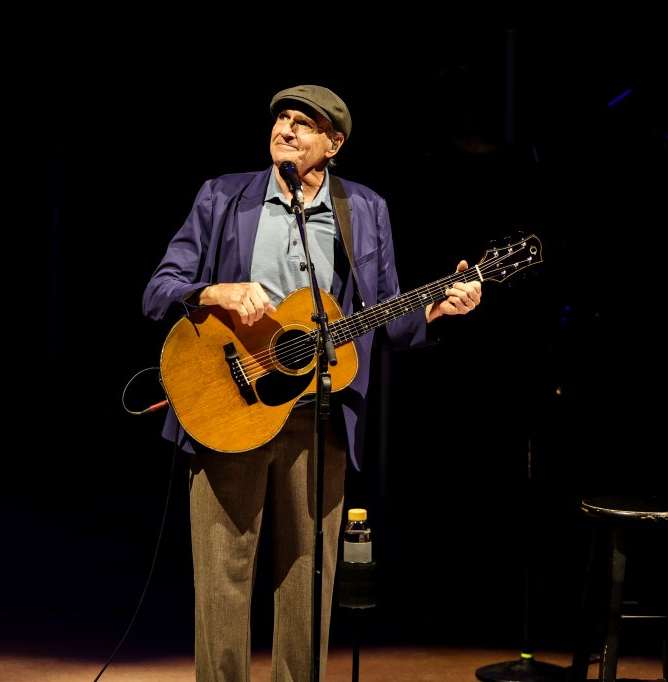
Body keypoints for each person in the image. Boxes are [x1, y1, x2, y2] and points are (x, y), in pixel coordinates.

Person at [141, 84, 483, 681]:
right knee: (223, 579)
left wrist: (436, 309)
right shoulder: (223, 197)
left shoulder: (365, 210)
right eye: (280, 119)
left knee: (308, 581)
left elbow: (382, 321)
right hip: (229, 410)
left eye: (303, 123)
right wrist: (213, 292)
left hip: (318, 417)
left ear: (334, 143)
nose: (286, 130)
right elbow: (160, 288)